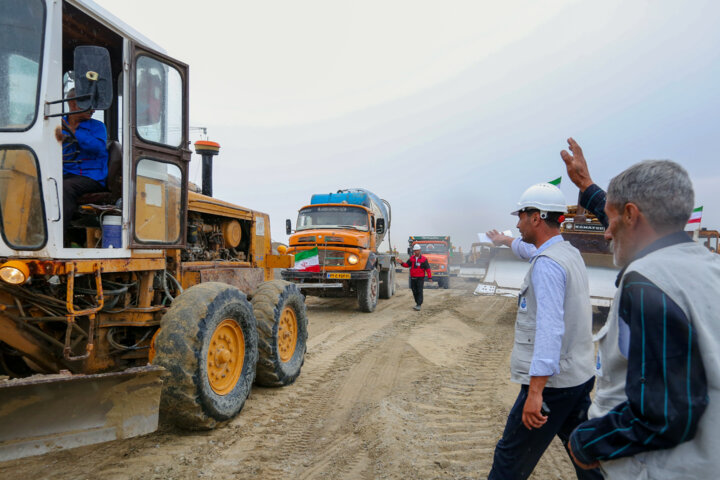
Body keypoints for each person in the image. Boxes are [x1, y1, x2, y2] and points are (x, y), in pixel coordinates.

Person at [560, 138, 719, 479]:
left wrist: (588, 442)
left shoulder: (648, 282)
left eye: (610, 219)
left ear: (631, 214)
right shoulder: (706, 268)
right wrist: (587, 188)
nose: (606, 234)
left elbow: (666, 413)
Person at [486, 182, 601, 480]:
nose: (517, 222)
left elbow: (549, 330)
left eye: (521, 216)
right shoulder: (567, 252)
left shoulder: (548, 266)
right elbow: (530, 250)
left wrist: (535, 392)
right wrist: (504, 241)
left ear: (535, 217)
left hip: (552, 386)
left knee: (510, 459)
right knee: (584, 454)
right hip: (578, 377)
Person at [54, 89, 108, 235]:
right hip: (63, 173)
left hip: (91, 177)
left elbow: (98, 148)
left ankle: (58, 235)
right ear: (73, 103)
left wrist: (75, 132)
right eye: (89, 104)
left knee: (66, 187)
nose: (93, 109)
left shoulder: (97, 127)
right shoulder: (56, 125)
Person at [398, 244, 432, 310]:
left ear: (420, 250)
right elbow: (407, 265)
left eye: (417, 250)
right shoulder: (411, 258)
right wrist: (401, 263)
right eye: (415, 250)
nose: (415, 252)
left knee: (419, 291)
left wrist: (429, 277)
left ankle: (419, 304)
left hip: (420, 278)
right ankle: (417, 303)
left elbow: (428, 269)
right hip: (413, 277)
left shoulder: (424, 259)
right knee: (414, 291)